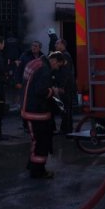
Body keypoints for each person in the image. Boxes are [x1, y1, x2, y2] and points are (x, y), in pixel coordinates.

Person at [21, 50, 65, 178]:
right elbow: (40, 91)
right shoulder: (45, 70)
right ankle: (38, 171)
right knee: (41, 142)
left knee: (35, 140)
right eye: (58, 66)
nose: (57, 69)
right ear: (54, 61)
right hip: (36, 112)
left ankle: (32, 164)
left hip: (27, 108)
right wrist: (52, 91)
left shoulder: (35, 63)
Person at [54, 38, 76, 134]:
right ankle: (65, 128)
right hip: (65, 86)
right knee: (64, 108)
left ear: (62, 45)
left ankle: (67, 129)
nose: (55, 45)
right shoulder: (62, 55)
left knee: (66, 108)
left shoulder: (65, 56)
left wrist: (62, 86)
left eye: (57, 43)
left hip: (67, 87)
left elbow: (66, 73)